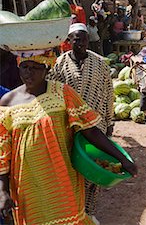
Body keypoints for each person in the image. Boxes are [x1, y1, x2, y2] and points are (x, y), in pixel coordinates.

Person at [0, 50, 137, 225]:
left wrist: (122, 159)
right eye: (25, 67)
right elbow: (3, 152)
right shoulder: (7, 102)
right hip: (27, 183)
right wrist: (2, 191)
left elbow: (90, 130)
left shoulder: (63, 93)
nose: (29, 73)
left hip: (62, 179)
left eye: (36, 68)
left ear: (47, 69)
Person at [48, 23, 114, 219]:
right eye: (76, 39)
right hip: (70, 126)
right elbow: (53, 91)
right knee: (72, 169)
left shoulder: (100, 63)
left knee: (94, 169)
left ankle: (89, 212)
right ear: (69, 41)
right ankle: (74, 211)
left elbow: (108, 92)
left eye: (84, 39)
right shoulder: (59, 63)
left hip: (96, 124)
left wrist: (109, 122)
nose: (80, 43)